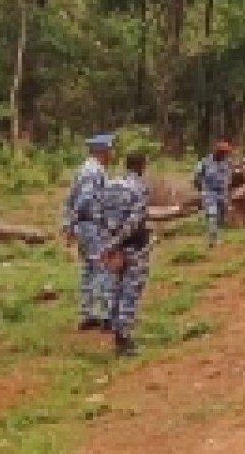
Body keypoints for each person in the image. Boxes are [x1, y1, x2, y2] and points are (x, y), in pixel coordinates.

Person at [95, 152, 151, 357]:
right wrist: (118, 242)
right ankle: (123, 339)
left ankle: (113, 324)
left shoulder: (109, 185)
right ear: (141, 166)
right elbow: (135, 221)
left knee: (115, 287)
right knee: (130, 291)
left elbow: (99, 215)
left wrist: (109, 244)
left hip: (113, 247)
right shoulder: (139, 188)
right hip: (133, 247)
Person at [61, 133, 113, 332]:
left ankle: (86, 314)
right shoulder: (94, 171)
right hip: (91, 226)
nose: (110, 153)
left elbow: (69, 198)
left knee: (87, 269)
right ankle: (105, 315)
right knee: (101, 267)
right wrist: (73, 222)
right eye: (108, 150)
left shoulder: (83, 168)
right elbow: (84, 200)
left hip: (84, 227)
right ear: (101, 151)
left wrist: (68, 224)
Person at [193, 140, 233, 248]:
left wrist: (227, 194)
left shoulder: (226, 163)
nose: (224, 155)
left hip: (222, 193)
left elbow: (228, 179)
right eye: (223, 153)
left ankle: (217, 237)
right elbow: (196, 177)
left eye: (225, 153)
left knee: (221, 217)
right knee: (212, 215)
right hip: (209, 192)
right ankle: (211, 240)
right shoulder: (205, 162)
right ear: (217, 152)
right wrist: (201, 190)